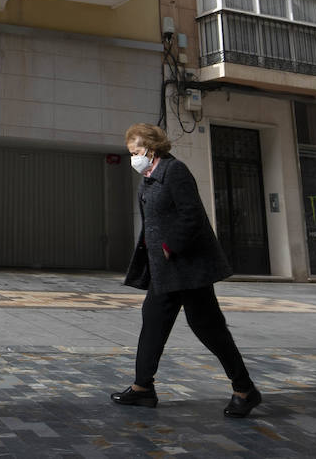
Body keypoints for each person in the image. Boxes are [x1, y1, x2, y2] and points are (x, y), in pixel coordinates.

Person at [110, 123, 262, 418]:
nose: (133, 159)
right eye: (130, 153)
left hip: (188, 268)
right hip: (165, 270)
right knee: (153, 321)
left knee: (208, 327)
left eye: (136, 152)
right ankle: (143, 388)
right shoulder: (149, 177)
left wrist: (171, 246)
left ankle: (245, 390)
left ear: (152, 149)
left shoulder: (175, 171)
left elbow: (192, 214)